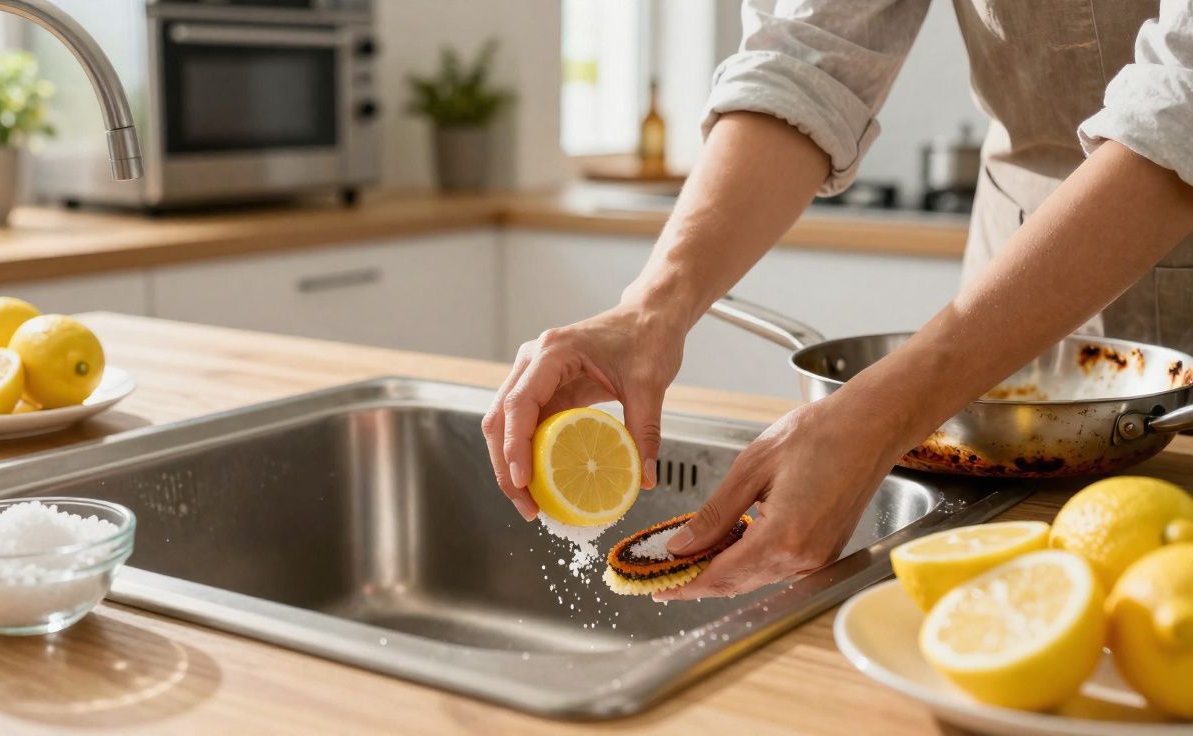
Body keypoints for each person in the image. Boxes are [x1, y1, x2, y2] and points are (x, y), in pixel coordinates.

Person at [482, 1, 1193, 601]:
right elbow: (805, 53)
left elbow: (1182, 99)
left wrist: (888, 411)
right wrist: (650, 309)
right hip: (1016, 278)